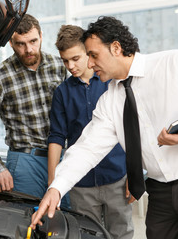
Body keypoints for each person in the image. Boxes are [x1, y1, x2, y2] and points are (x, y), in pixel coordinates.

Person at [30, 16, 178, 239]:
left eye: (93, 55)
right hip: (160, 191)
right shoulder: (110, 101)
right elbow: (87, 148)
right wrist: (57, 188)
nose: (89, 64)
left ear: (116, 48)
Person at [47, 24, 133, 239]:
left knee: (122, 233)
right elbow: (57, 137)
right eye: (65, 61)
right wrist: (53, 183)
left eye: (75, 58)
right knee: (86, 235)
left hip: (117, 177)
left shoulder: (112, 84)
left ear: (89, 53)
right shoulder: (61, 92)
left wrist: (134, 173)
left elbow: (131, 130)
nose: (70, 66)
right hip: (81, 185)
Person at [0, 14, 68, 199]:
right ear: (11, 43)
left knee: (66, 220)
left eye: (33, 41)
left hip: (62, 159)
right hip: (25, 161)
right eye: (20, 44)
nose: (28, 49)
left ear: (41, 36)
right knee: (26, 221)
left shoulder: (60, 66)